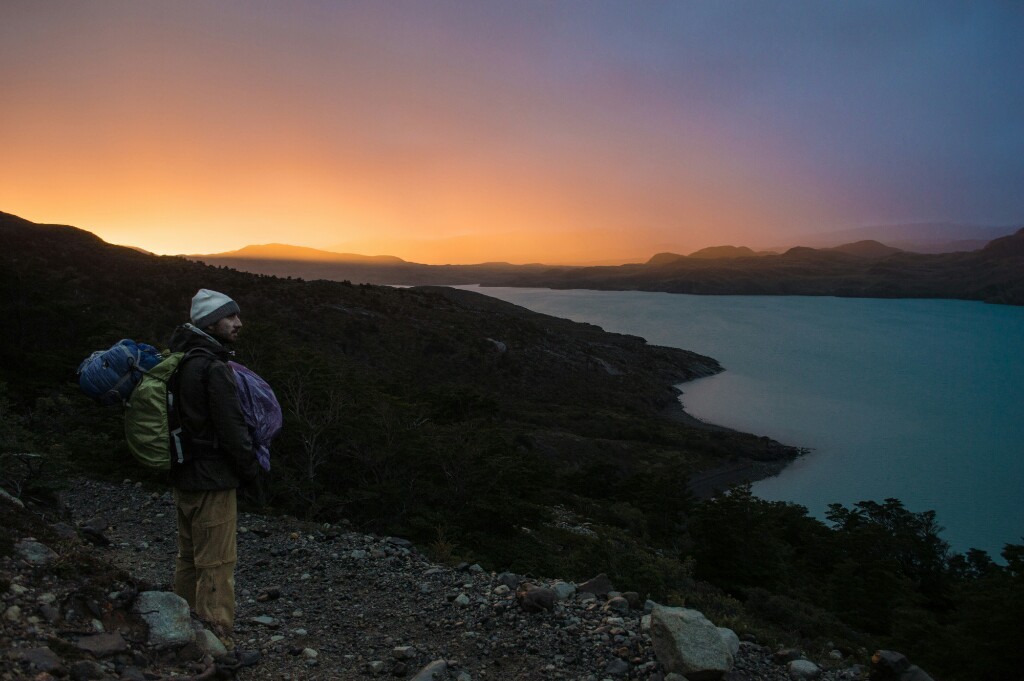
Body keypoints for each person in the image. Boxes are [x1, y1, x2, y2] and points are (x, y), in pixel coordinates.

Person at [168, 288, 259, 663]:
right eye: (230, 317)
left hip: (185, 474)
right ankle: (216, 647)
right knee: (217, 564)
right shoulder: (213, 367)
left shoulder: (182, 360)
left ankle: (179, 632)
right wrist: (251, 471)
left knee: (188, 558)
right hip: (213, 479)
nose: (238, 323)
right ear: (210, 323)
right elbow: (232, 429)